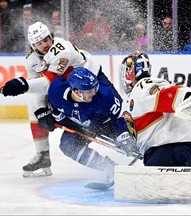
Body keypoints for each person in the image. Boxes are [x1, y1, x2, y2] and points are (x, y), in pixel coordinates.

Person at [0, 21, 119, 177]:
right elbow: (39, 91)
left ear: (51, 37)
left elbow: (49, 82)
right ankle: (44, 155)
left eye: (46, 39)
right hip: (74, 96)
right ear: (32, 45)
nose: (44, 44)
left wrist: (23, 85)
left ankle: (140, 144)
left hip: (95, 86)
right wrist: (41, 111)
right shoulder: (32, 61)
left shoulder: (60, 48)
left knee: (115, 121)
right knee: (68, 143)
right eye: (39, 42)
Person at [118, 51, 191, 204]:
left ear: (129, 72)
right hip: (186, 147)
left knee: (154, 184)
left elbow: (171, 94)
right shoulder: (144, 89)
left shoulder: (143, 88)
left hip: (169, 149)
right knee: (152, 165)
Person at [36, 67, 137, 177]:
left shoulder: (104, 96)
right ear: (77, 92)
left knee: (132, 144)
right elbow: (51, 104)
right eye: (89, 91)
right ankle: (108, 168)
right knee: (68, 145)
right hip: (78, 127)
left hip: (107, 124)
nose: (94, 93)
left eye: (95, 88)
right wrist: (48, 116)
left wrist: (122, 134)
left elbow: (121, 114)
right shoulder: (56, 91)